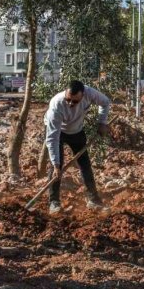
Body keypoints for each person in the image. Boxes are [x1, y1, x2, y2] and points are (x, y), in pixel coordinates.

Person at [44, 80, 111, 214]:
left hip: (77, 131)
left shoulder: (90, 93)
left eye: (75, 102)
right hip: (58, 132)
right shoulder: (56, 106)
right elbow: (52, 139)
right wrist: (56, 164)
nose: (70, 104)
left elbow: (105, 102)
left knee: (85, 164)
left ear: (83, 95)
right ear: (65, 93)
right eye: (68, 100)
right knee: (56, 167)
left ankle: (93, 200)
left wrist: (102, 123)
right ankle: (54, 202)